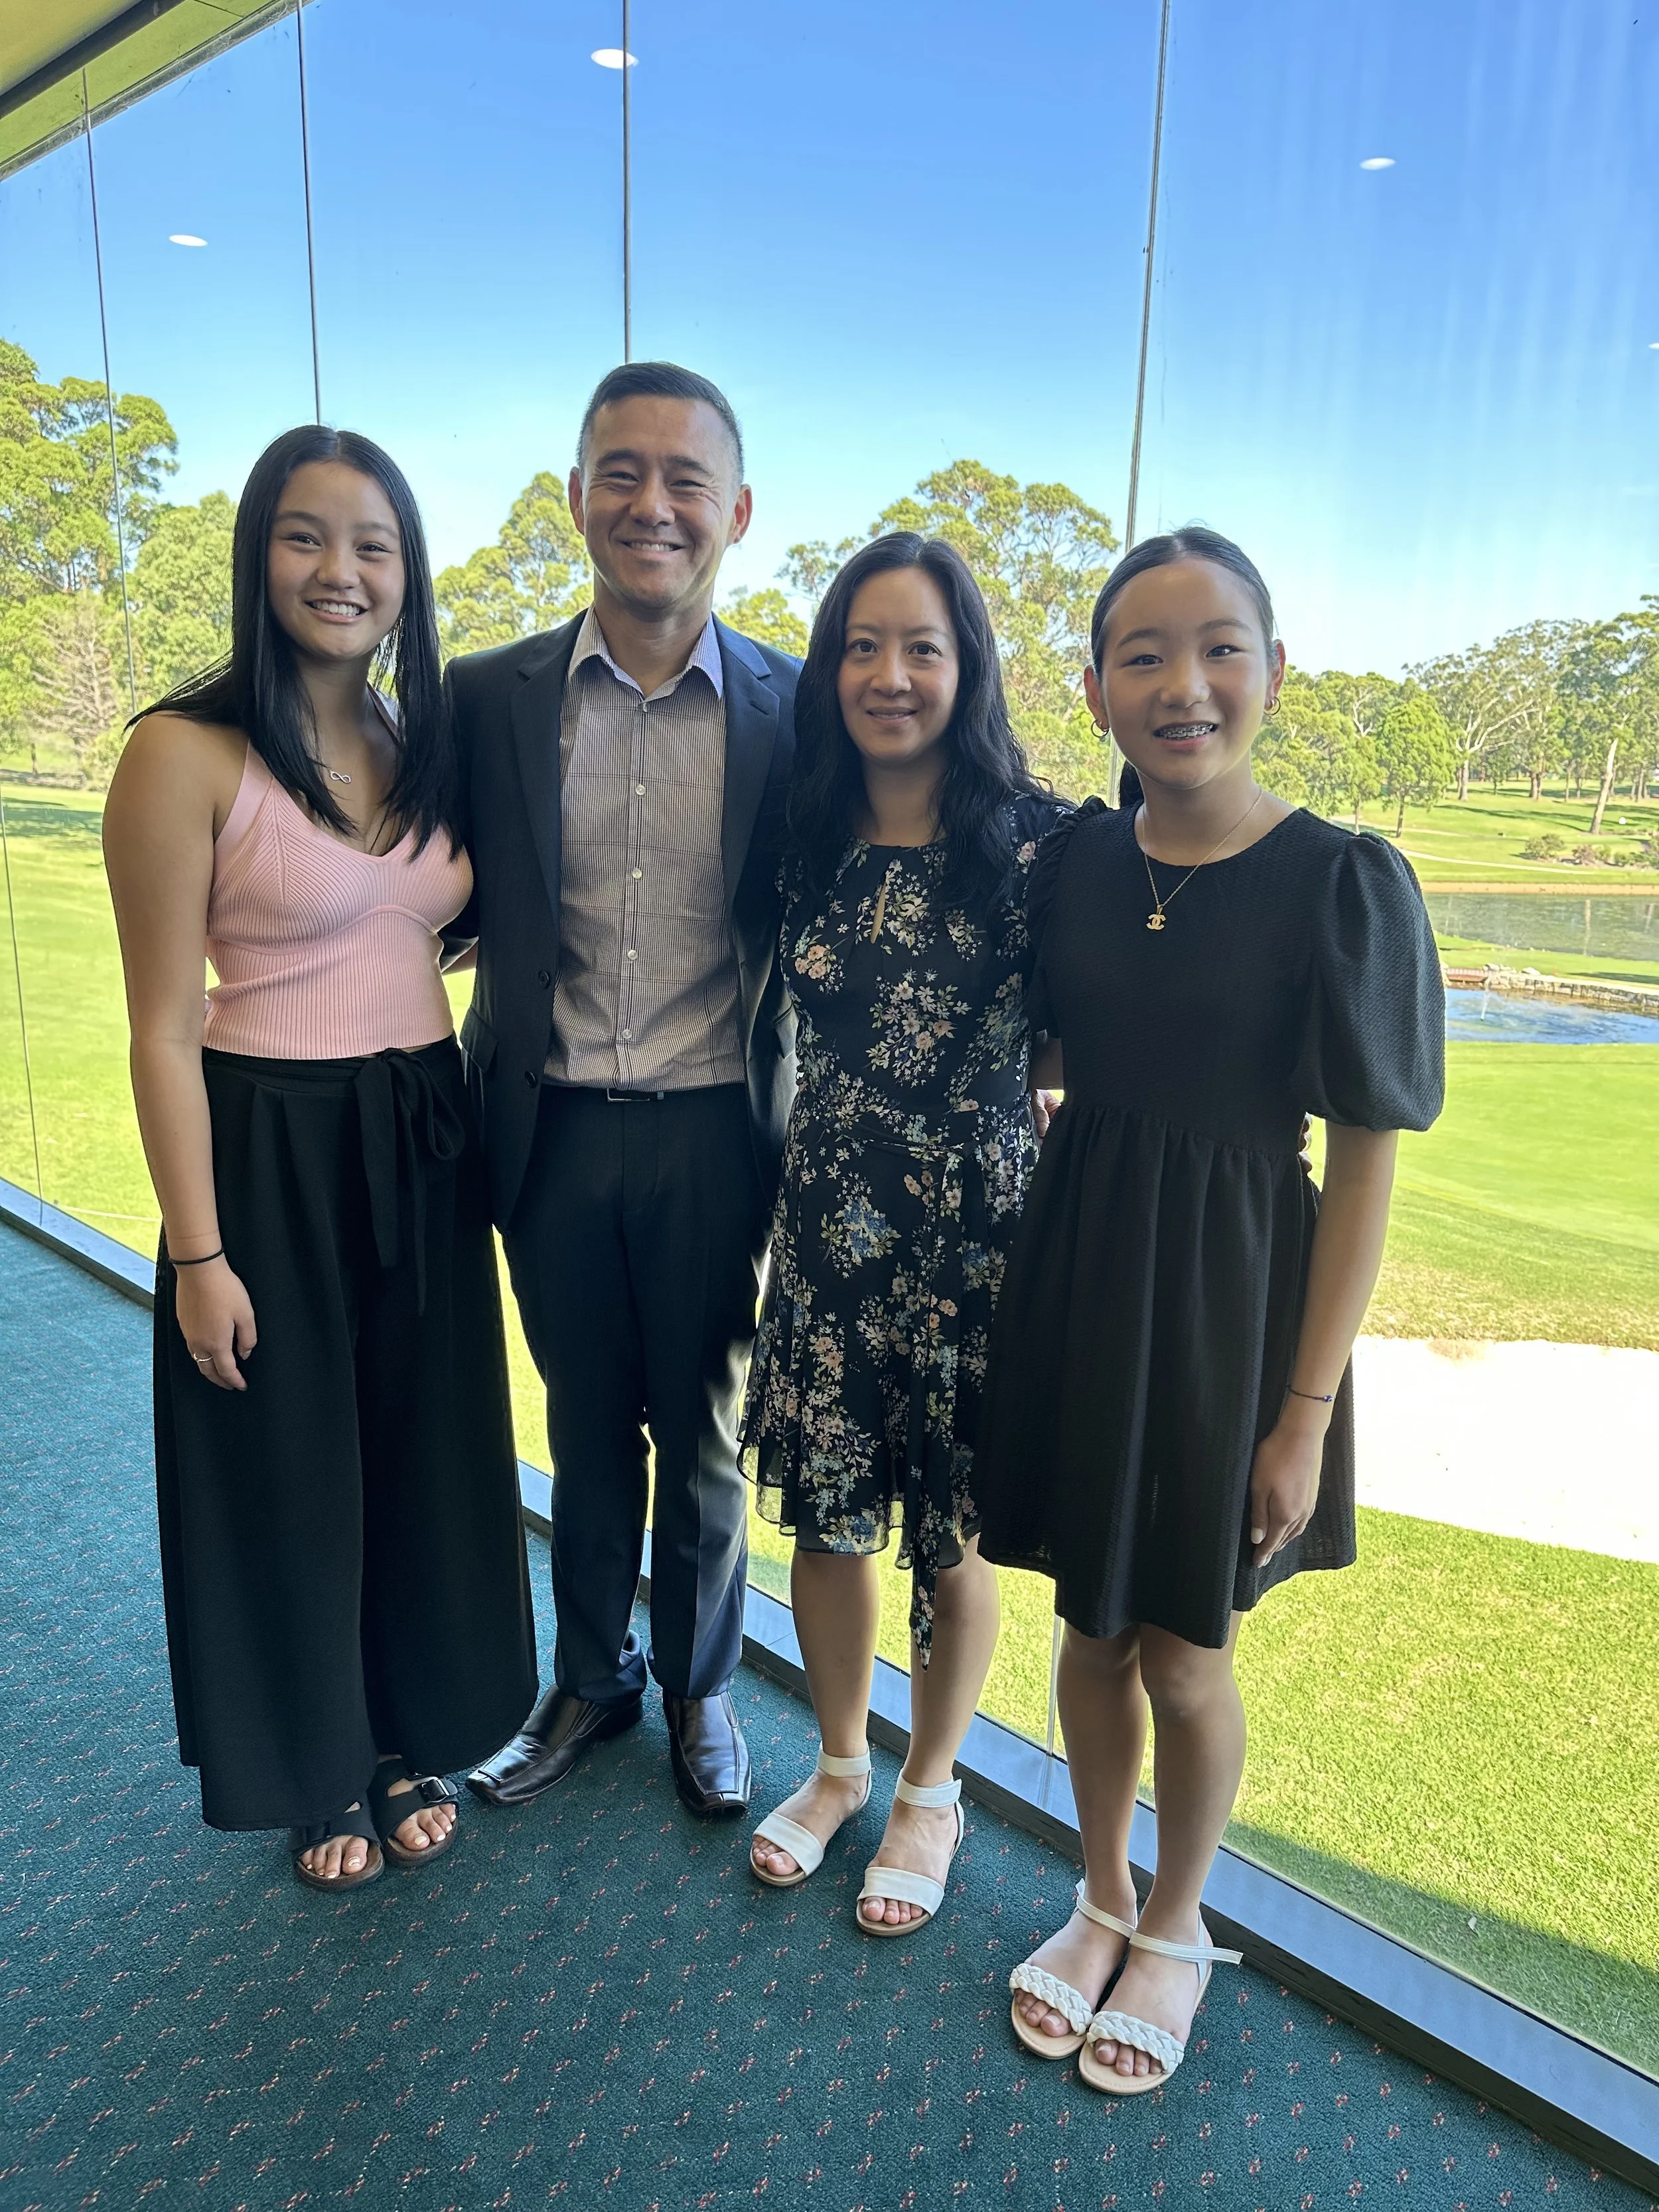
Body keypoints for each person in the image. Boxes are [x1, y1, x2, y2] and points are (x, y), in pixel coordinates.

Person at [977, 528, 1443, 2091]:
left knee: (1184, 1652)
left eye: (1218, 647)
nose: (1183, 685)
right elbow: (1041, 1055)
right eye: (1143, 656)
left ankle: (1176, 1927)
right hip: (1081, 1277)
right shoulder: (1072, 865)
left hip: (1232, 1311)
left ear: (1272, 667)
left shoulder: (1341, 882)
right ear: (1096, 689)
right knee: (1087, 1629)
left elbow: (1366, 1164)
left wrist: (1300, 1413)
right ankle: (1097, 1895)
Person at [102, 425, 538, 1891]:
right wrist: (199, 1250)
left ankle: (401, 1730)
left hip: (420, 1133)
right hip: (265, 1144)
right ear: (257, 554)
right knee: (289, 1468)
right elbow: (162, 1029)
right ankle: (316, 1764)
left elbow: (426, 924)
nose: (340, 570)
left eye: (372, 544)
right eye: (305, 536)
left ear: (406, 573)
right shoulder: (182, 749)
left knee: (415, 1455)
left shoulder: (423, 749)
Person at [451, 364, 799, 1820]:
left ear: (734, 510)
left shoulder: (799, 708)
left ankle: (699, 1684)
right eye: (619, 472)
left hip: (722, 1128)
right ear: (578, 493)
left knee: (706, 1423)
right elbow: (413, 885)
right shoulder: (485, 699)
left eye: (681, 478)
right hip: (550, 1129)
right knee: (585, 1419)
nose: (649, 504)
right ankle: (589, 1679)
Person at [743, 534, 1068, 1931]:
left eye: (920, 647)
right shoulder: (796, 837)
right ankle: (833, 1767)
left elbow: (1081, 1048)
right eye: (860, 646)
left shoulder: (1038, 845)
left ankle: (929, 1790)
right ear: (828, 671)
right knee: (824, 1520)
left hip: (975, 1238)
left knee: (950, 1536)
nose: (889, 674)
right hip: (823, 1224)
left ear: (965, 664)